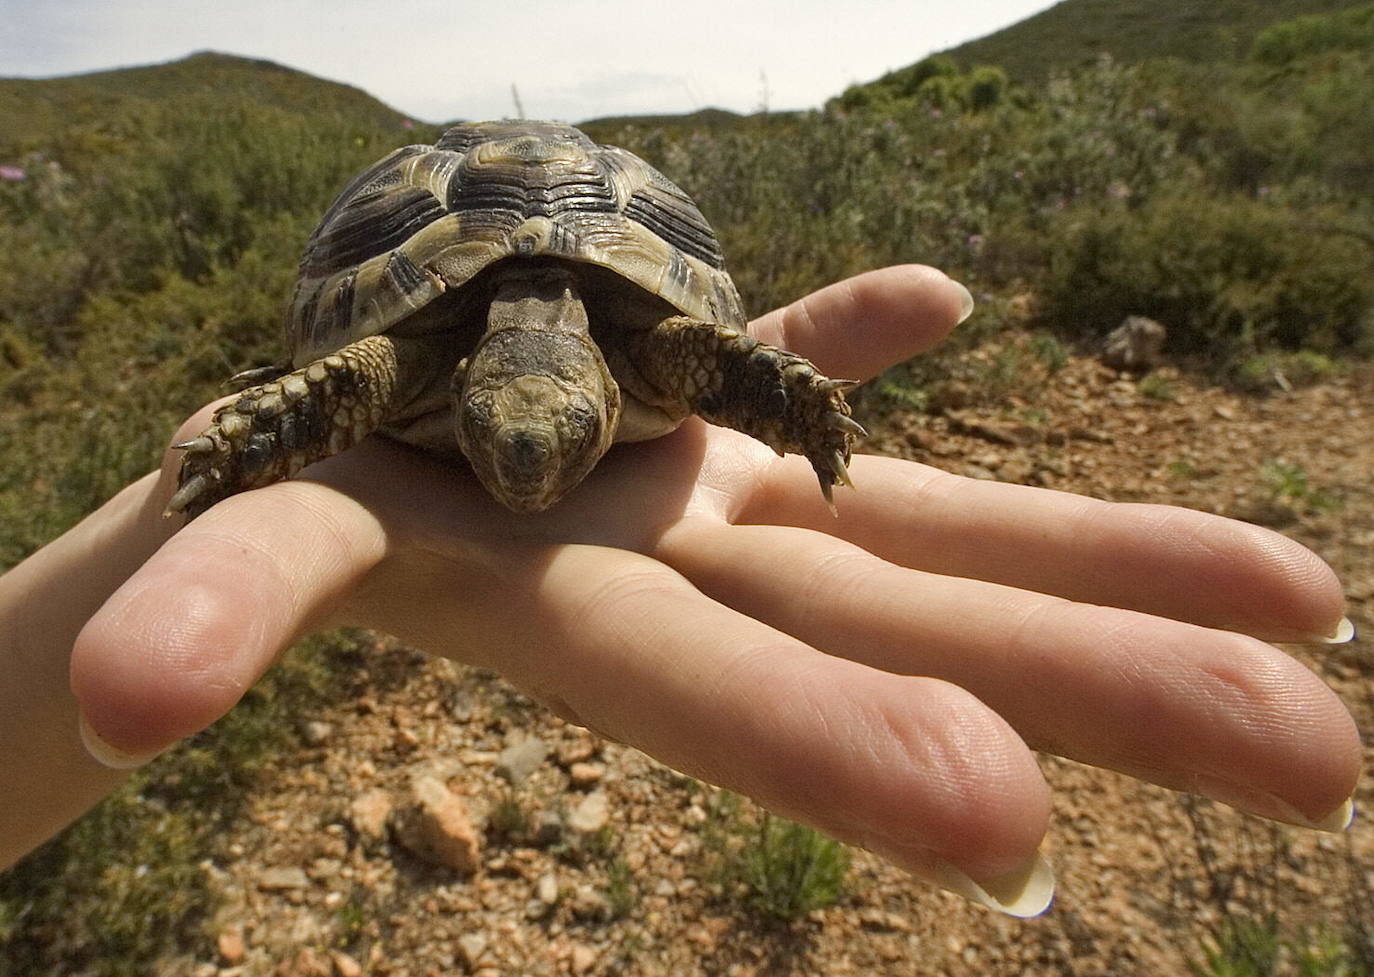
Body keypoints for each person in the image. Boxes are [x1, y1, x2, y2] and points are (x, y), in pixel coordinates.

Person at [0, 265, 1358, 917]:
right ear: (454, 393)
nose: (521, 471)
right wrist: (207, 476)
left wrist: (778, 392)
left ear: (607, 398)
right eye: (490, 441)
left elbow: (714, 362)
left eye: (556, 442)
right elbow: (340, 379)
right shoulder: (390, 366)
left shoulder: (652, 346)